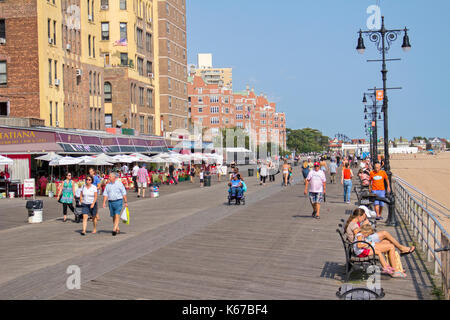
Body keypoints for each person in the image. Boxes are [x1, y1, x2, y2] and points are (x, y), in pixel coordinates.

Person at [345, 208, 415, 254]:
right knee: (385, 233)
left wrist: (364, 224)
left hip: (363, 241)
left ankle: (395, 267)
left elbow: (360, 233)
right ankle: (401, 248)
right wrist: (365, 226)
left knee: (387, 242)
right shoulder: (354, 225)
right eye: (363, 216)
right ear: (359, 216)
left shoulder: (354, 222)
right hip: (363, 243)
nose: (364, 218)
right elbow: (360, 236)